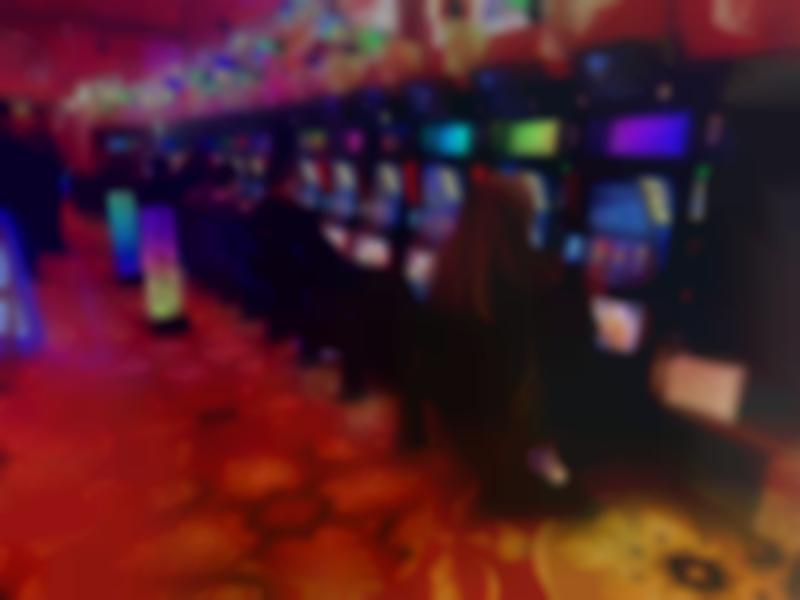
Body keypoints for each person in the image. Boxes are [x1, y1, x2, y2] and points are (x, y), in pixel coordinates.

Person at [405, 174, 594, 512]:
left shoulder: (448, 272)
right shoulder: (533, 280)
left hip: (455, 428)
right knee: (577, 500)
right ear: (520, 222)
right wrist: (582, 287)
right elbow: (579, 345)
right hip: (507, 433)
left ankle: (521, 468)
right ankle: (535, 467)